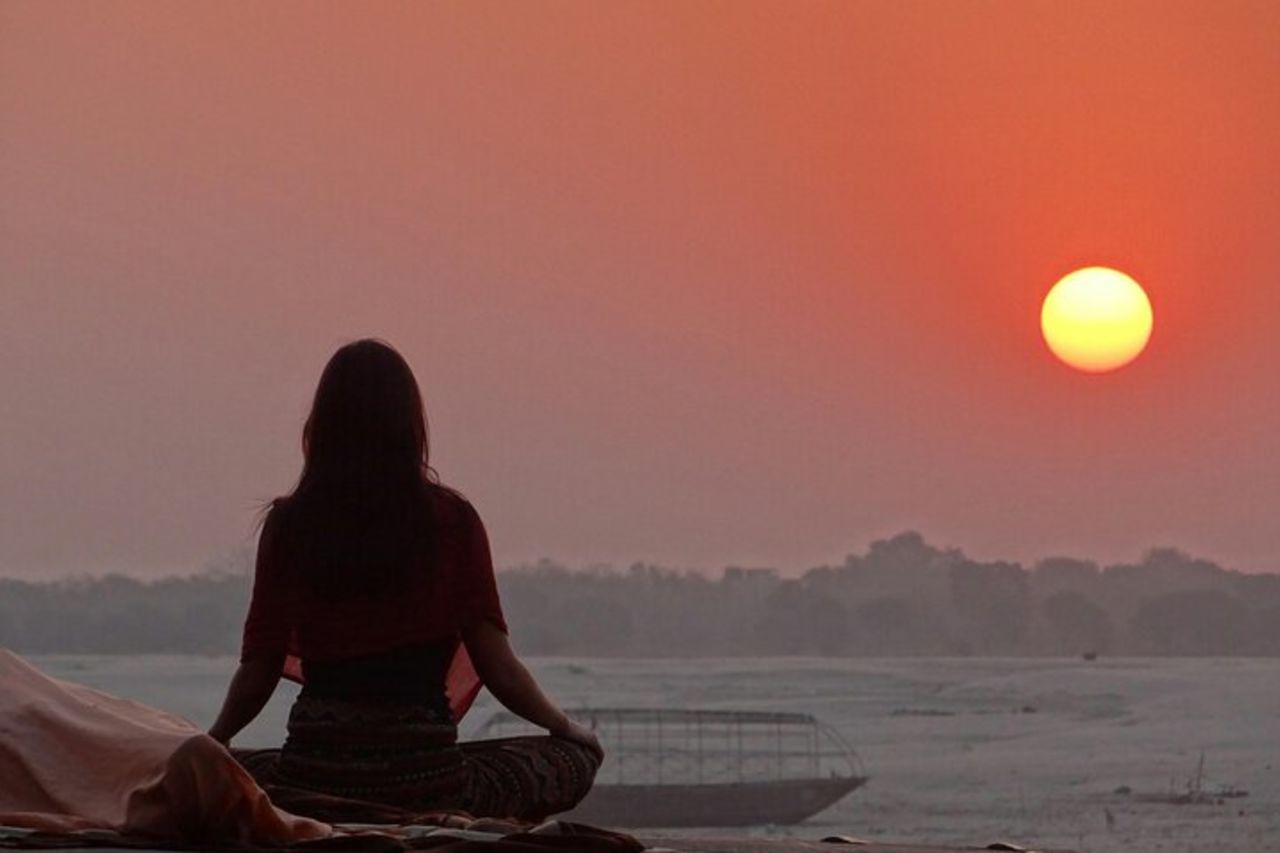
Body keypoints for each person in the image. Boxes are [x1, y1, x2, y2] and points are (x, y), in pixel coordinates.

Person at [209, 339, 602, 822]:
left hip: (312, 779)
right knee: (573, 759)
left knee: (239, 770)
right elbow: (497, 664)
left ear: (323, 425)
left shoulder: (291, 524)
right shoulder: (451, 520)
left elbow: (259, 670)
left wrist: (214, 743)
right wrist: (566, 727)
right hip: (429, 783)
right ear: (411, 425)